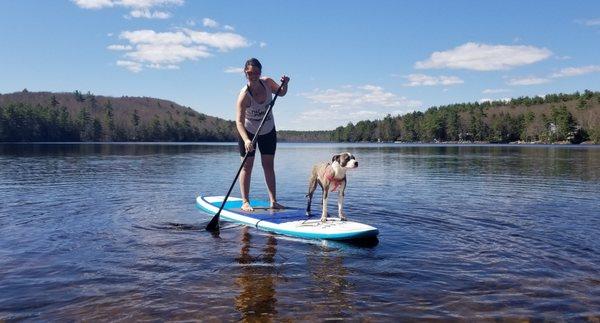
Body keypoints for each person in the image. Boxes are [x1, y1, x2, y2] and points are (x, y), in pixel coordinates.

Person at [236, 58, 290, 212]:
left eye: (255, 72)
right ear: (245, 72)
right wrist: (246, 140)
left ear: (260, 73)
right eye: (249, 72)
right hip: (248, 131)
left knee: (268, 165)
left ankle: (273, 201)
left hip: (267, 129)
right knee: (247, 166)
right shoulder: (243, 96)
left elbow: (282, 93)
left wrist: (285, 84)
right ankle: (245, 201)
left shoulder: (266, 83)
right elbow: (239, 122)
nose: (252, 75)